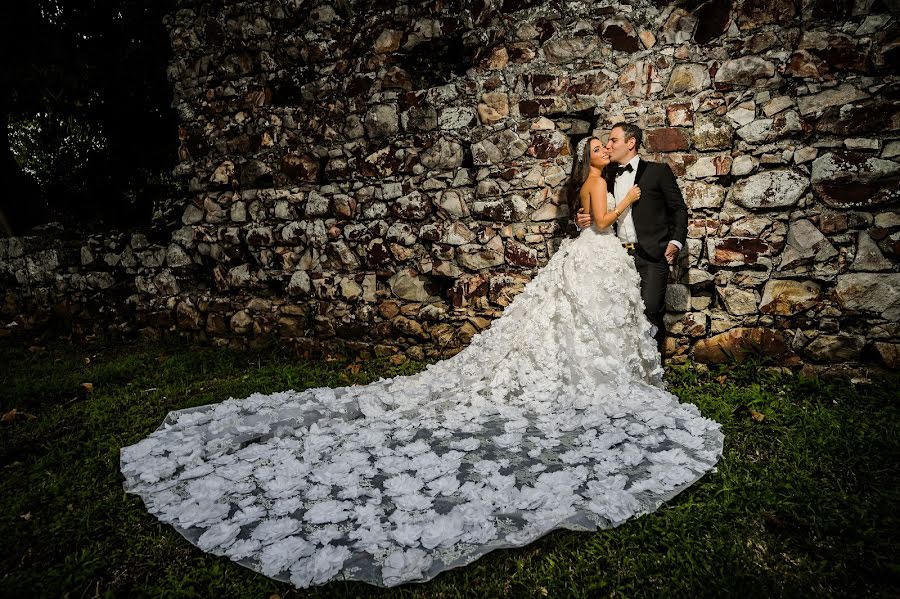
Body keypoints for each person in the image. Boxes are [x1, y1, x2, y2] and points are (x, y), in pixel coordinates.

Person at [120, 135, 722, 589]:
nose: (604, 149)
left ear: (627, 148)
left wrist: (624, 212)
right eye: (599, 145)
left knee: (596, 327)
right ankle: (582, 379)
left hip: (607, 260)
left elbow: (606, 217)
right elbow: (599, 218)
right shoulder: (603, 179)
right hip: (594, 255)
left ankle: (602, 376)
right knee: (572, 327)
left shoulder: (632, 174)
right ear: (597, 157)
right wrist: (620, 205)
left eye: (609, 143)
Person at [576, 123, 688, 364]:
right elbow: (591, 205)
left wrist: (676, 241)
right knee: (618, 316)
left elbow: (678, 209)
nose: (608, 146)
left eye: (613, 140)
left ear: (631, 143)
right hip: (616, 257)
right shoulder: (604, 174)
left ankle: (654, 373)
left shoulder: (658, 172)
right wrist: (580, 218)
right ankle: (627, 372)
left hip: (650, 255)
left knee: (649, 313)